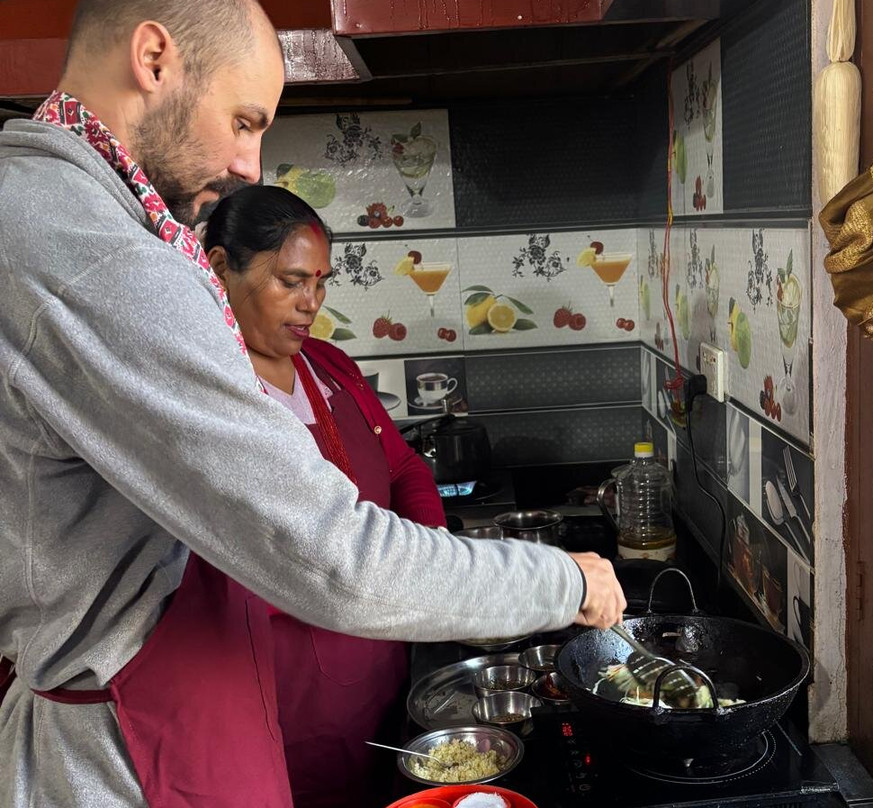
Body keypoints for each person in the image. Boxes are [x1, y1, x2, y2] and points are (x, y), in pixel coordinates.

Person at [0, 1, 626, 806]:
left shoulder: (32, 206)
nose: (250, 163)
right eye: (244, 119)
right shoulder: (96, 258)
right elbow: (333, 558)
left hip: (149, 712)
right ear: (154, 58)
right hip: (133, 747)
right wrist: (560, 581)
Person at [203, 185, 445, 806]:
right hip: (278, 694)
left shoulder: (330, 367)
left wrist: (431, 557)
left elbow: (405, 469)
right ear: (219, 265)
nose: (311, 304)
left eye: (321, 281)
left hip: (382, 673)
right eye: (291, 281)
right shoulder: (208, 394)